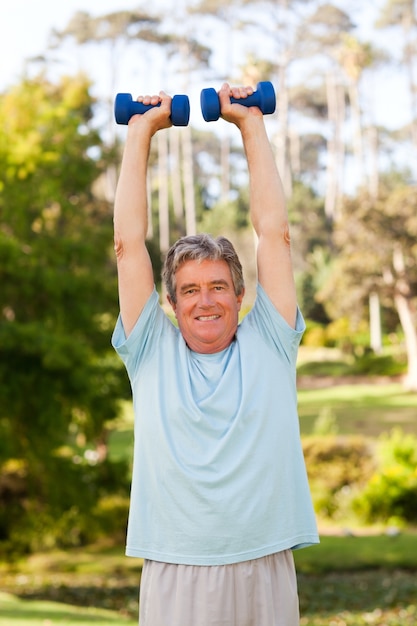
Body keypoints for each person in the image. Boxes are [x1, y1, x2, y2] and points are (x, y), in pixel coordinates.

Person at [112, 83, 319, 626]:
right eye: (190, 289)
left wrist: (251, 123)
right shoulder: (151, 350)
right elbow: (128, 244)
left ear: (240, 294)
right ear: (171, 303)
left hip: (265, 560)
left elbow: (274, 235)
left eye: (218, 286)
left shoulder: (269, 342)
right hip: (178, 565)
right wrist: (141, 132)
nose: (206, 300)